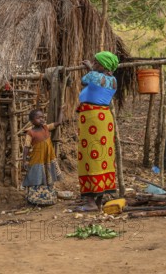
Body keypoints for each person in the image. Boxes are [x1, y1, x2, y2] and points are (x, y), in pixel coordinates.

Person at [76, 51, 119, 211]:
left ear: (103, 65)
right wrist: (92, 69)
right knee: (103, 155)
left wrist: (89, 69)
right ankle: (99, 199)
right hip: (104, 119)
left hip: (92, 119)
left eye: (96, 62)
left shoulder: (93, 76)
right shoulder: (113, 80)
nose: (93, 63)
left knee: (90, 155)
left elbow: (83, 81)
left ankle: (90, 202)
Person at [22, 107, 64, 205]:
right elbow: (26, 147)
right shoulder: (30, 133)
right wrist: (24, 161)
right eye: (38, 118)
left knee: (48, 177)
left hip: (48, 159)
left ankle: (48, 198)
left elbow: (58, 123)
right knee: (36, 177)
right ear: (32, 121)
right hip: (37, 160)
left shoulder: (46, 127)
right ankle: (34, 199)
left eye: (42, 117)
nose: (41, 119)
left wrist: (61, 110)